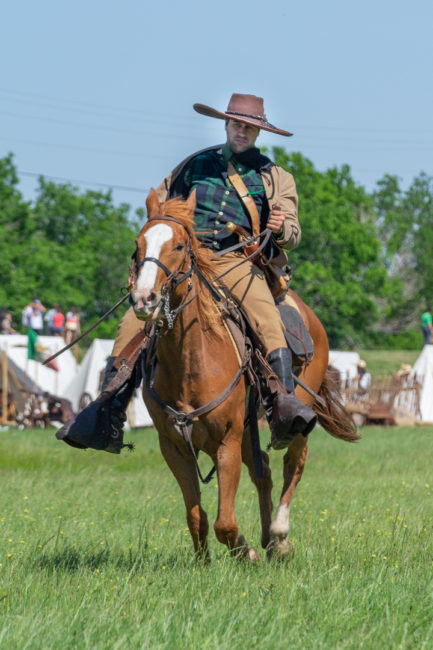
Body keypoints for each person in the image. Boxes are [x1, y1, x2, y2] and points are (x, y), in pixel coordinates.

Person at [58, 93, 317, 454]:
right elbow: (160, 211)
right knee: (134, 322)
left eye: (248, 127)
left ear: (258, 132)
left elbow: (293, 234)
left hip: (235, 260)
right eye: (235, 124)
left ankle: (282, 404)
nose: (240, 131)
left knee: (266, 317)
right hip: (186, 258)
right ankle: (107, 412)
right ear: (226, 124)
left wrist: (281, 225)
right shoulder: (193, 165)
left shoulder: (275, 178)